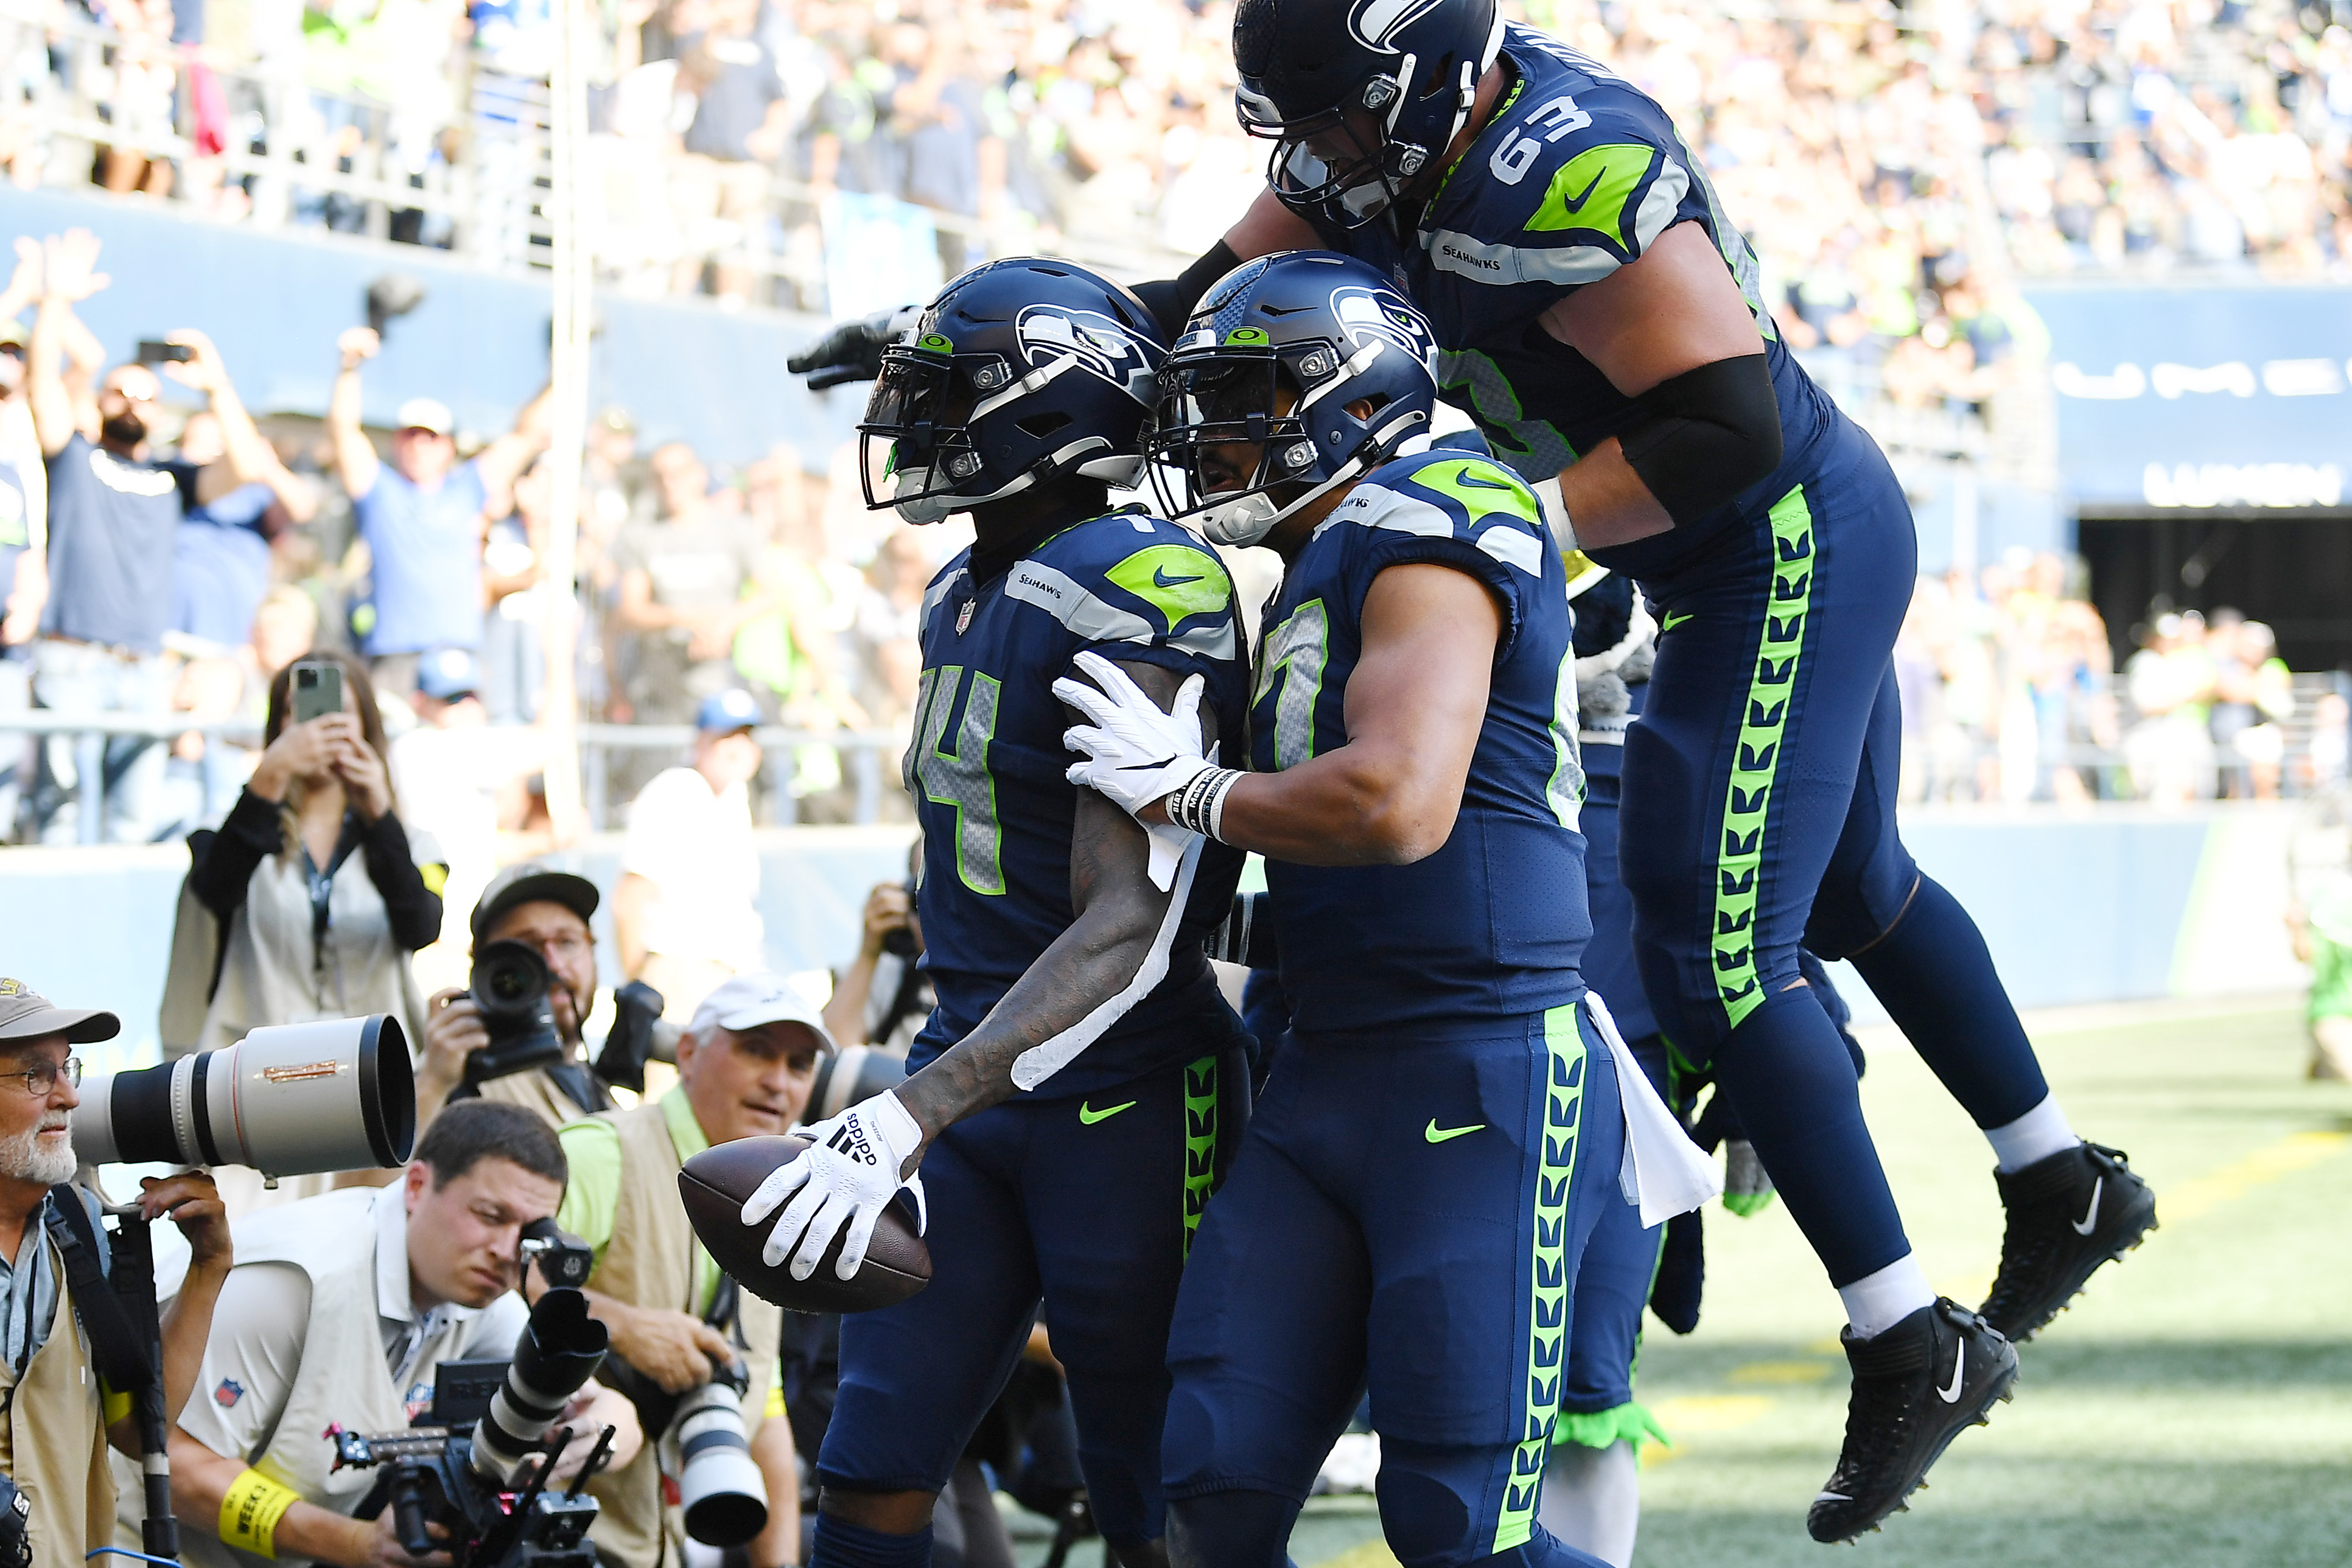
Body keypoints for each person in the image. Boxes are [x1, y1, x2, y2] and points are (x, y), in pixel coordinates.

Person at [1095, 0, 2156, 1538]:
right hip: (1710, 562)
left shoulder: (1566, 159)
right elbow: (1213, 288)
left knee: (1714, 949)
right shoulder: (1377, 137)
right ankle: (2058, 1177)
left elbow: (1726, 424)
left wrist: (1501, 519)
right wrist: (1052, 345)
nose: (1317, 160)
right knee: (1858, 890)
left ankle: (1903, 1335)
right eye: (1301, 129)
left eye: (1336, 121)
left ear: (1433, 77)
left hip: (1773, 538)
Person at [1051, 252, 1712, 1568]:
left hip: (1483, 1071)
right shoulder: (1317, 554)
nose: (1209, 435)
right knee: (1216, 1486)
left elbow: (1400, 803)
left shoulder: (1440, 511)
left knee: (1456, 1527)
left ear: (1351, 402)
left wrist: (1197, 792)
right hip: (1329, 1070)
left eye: (1238, 398)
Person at [750, 258, 1254, 1568]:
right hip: (971, 1083)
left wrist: (912, 1108)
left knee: (1159, 1507)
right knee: (868, 1465)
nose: (910, 425)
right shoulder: (962, 587)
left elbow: (1130, 925)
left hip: (1127, 1101)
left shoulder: (1144, 579)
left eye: (942, 396)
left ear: (1044, 414)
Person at [167, 1101, 641, 1568]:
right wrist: (354, 1544)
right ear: (416, 1185)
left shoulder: (477, 1292)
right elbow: (180, 1466)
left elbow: (602, 1408)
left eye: (530, 1233)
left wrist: (600, 1434)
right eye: (490, 1216)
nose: (505, 1251)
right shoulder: (301, 1277)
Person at [547, 974, 823, 1568]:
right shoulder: (602, 1150)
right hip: (550, 1540)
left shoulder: (778, 1195)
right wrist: (621, 1325)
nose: (778, 1080)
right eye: (756, 1050)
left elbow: (765, 1404)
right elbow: (487, 1289)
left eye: (800, 1063)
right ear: (688, 1053)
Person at [23, 231, 282, 844]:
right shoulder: (75, 458)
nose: (133, 402)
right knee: (58, 814)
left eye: (147, 395)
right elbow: (43, 394)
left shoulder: (174, 478)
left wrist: (216, 386)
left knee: (131, 820)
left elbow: (247, 464)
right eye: (121, 391)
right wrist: (55, 303)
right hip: (71, 656)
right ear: (100, 400)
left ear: (161, 412)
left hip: (143, 666)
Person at [0, 982, 230, 1568]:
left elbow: (133, 1432)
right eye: (36, 1075)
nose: (70, 1098)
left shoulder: (74, 1227)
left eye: (67, 1069)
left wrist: (208, 1270)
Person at [180, 651, 443, 1062]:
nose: (320, 726)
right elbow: (216, 891)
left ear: (367, 727)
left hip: (373, 1065)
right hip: (256, 1067)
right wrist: (269, 778)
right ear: (276, 728)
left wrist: (380, 817)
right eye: (295, 712)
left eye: (342, 712)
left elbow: (422, 928)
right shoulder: (222, 831)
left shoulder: (412, 840)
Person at [328, 325, 552, 701]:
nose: (419, 445)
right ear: (396, 443)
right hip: (394, 657)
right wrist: (349, 369)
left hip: (458, 654)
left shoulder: (467, 489)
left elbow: (527, 436)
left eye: (430, 437)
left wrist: (561, 372)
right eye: (409, 435)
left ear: (449, 447)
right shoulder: (380, 492)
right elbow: (343, 430)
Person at [418, 861, 618, 1132]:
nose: (554, 964)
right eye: (528, 947)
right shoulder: (462, 1076)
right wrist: (434, 1083)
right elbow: (376, 1174)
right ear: (483, 968)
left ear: (593, 951)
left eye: (567, 942)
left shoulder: (597, 1087)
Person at [612, 688, 767, 1021]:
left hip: (728, 974)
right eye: (726, 737)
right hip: (678, 971)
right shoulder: (676, 790)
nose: (738, 748)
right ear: (701, 742)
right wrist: (638, 990)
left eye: (746, 737)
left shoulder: (734, 797)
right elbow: (629, 900)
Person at [609, 443, 768, 728]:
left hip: (724, 675)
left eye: (679, 473)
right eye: (661, 476)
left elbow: (771, 593)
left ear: (699, 475)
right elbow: (632, 610)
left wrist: (725, 624)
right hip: (659, 682)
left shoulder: (735, 530)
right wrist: (690, 620)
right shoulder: (639, 536)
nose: (671, 484)